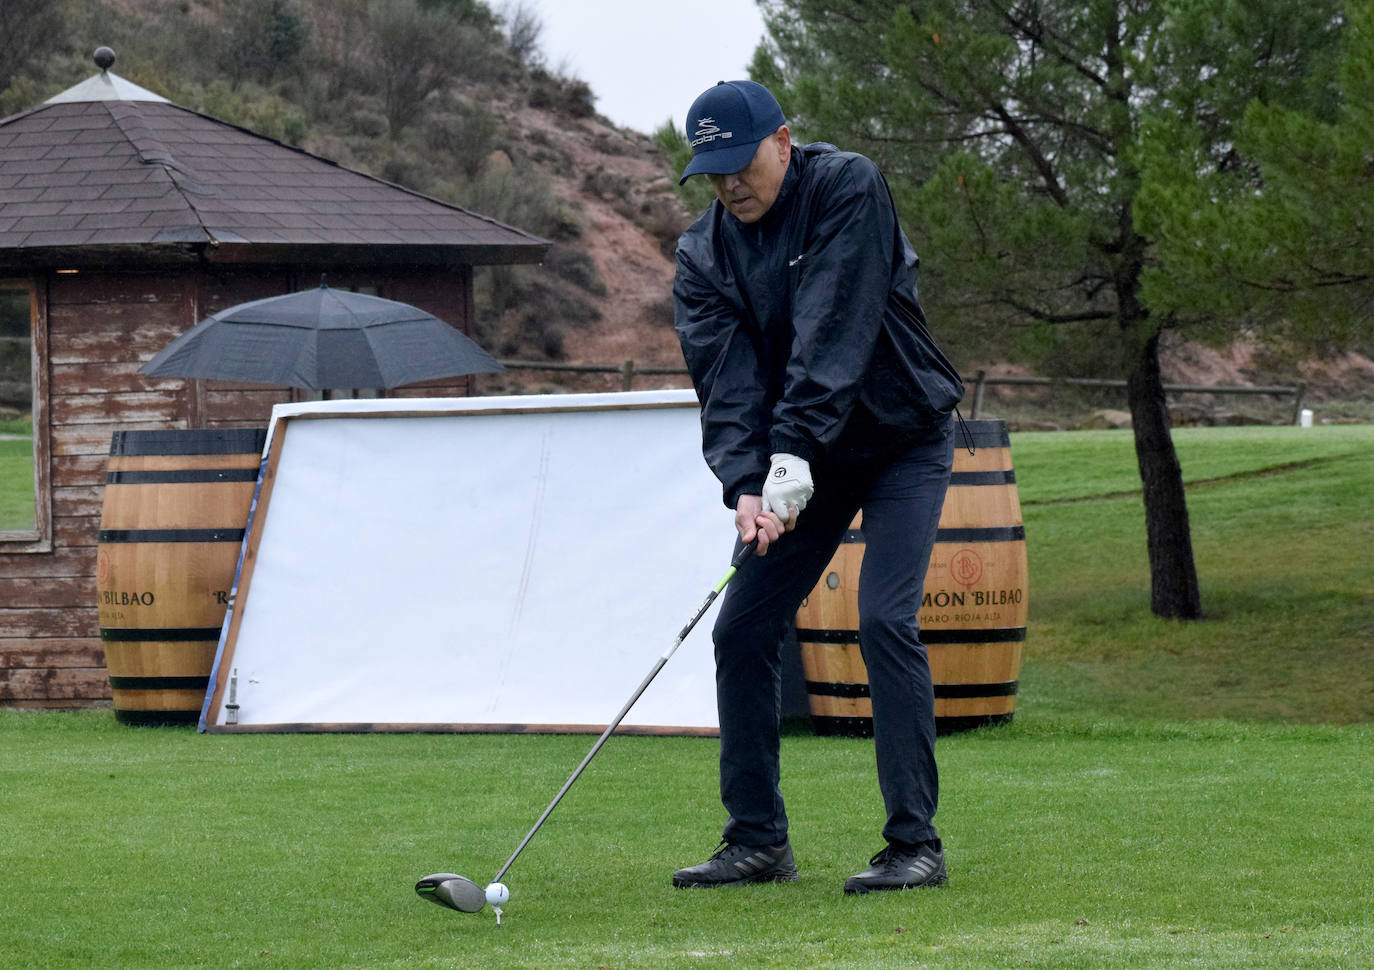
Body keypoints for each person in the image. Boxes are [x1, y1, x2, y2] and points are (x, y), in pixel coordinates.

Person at [670, 80, 965, 894]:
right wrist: (745, 483)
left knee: (882, 617)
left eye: (741, 163)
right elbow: (725, 385)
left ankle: (914, 845)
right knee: (742, 629)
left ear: (784, 141)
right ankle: (757, 839)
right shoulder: (703, 255)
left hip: (903, 435)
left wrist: (791, 453)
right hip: (810, 462)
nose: (731, 185)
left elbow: (835, 327)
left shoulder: (847, 187)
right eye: (713, 172)